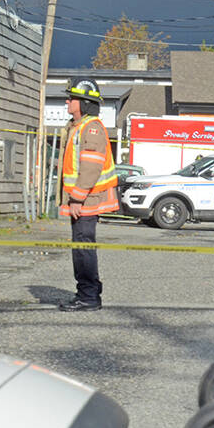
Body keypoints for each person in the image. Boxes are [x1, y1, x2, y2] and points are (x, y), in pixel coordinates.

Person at [58, 78, 119, 311]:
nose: (67, 101)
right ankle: (86, 293)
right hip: (84, 200)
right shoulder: (79, 126)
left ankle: (89, 297)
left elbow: (90, 168)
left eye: (71, 98)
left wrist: (77, 198)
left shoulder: (91, 128)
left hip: (86, 201)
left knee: (83, 248)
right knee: (81, 248)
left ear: (82, 102)